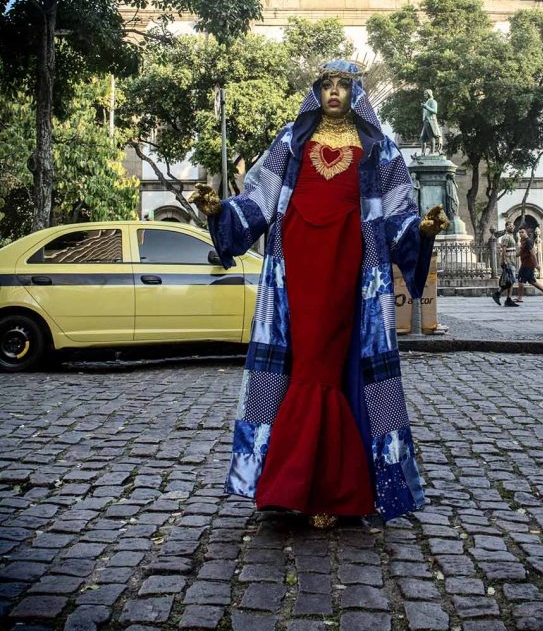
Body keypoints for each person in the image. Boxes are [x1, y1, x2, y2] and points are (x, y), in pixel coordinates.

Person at [190, 60, 448, 527]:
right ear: (316, 92)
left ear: (356, 93)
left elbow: (397, 211)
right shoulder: (292, 139)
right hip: (294, 272)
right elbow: (259, 200)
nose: (334, 92)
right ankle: (289, 486)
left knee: (342, 365)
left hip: (354, 271)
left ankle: (335, 488)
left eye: (343, 86)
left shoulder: (379, 147)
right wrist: (220, 209)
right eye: (326, 85)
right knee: (293, 364)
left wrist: (421, 228)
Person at [518, 227, 543, 302]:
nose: (520, 234)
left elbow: (533, 253)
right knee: (532, 281)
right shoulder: (523, 241)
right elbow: (521, 252)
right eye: (519, 232)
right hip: (526, 263)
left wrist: (536, 264)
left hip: (527, 264)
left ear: (526, 233)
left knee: (520, 280)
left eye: (522, 232)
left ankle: (520, 298)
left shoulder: (528, 241)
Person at [492, 220, 518, 307]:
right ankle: (500, 295)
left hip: (512, 261)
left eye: (513, 226)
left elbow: (512, 250)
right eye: (510, 226)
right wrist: (504, 261)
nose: (512, 227)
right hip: (508, 261)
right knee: (510, 280)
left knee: (511, 281)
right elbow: (503, 250)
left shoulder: (512, 236)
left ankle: (507, 298)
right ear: (506, 227)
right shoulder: (506, 237)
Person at [420, 90, 442, 155]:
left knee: (431, 137)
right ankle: (423, 153)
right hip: (425, 121)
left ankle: (432, 152)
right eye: (424, 94)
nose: (424, 95)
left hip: (430, 121)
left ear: (429, 94)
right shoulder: (427, 102)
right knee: (422, 138)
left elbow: (435, 111)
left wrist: (426, 107)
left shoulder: (433, 101)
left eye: (425, 94)